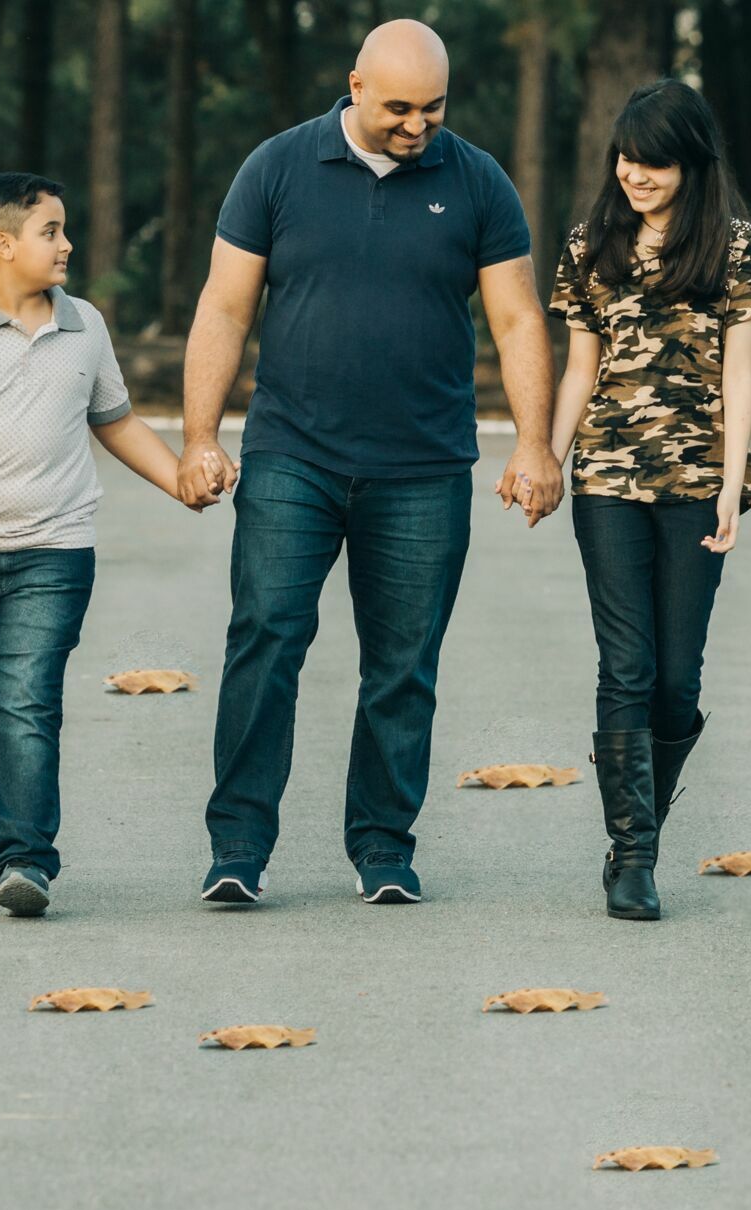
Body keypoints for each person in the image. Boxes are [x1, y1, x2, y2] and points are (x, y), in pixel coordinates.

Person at [180, 19, 562, 907]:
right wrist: (202, 436)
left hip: (424, 467)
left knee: (403, 663)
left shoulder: (477, 182)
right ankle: (237, 847)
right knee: (266, 641)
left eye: (433, 108)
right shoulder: (275, 168)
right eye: (398, 107)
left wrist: (535, 444)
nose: (416, 125)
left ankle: (384, 847)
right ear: (355, 85)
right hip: (292, 456)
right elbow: (225, 308)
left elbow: (515, 321)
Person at [0, 172, 220, 917]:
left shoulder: (85, 326)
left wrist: (178, 480)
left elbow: (116, 422)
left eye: (64, 230)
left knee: (27, 704)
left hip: (54, 554)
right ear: (3, 244)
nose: (66, 244)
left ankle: (25, 858)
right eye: (51, 231)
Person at [545, 80, 751, 920]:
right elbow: (580, 367)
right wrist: (544, 449)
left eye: (655, 161)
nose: (636, 174)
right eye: (627, 157)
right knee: (628, 665)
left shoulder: (733, 246)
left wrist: (729, 484)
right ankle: (634, 855)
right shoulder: (591, 243)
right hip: (606, 478)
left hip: (693, 482)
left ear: (692, 163)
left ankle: (638, 823)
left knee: (677, 681)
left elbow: (741, 372)